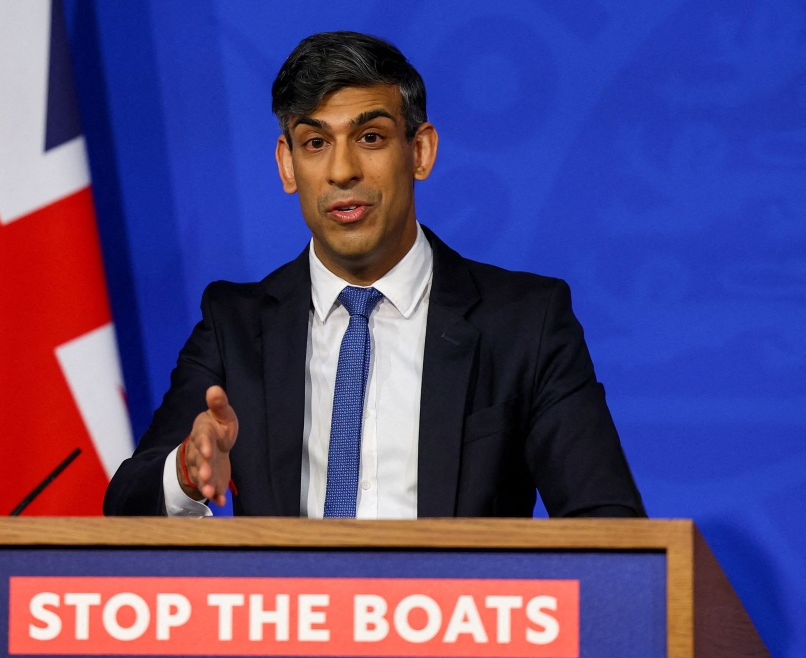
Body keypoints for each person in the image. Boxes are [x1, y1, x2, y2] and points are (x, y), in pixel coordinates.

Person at [104, 31, 645, 519]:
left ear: (420, 151)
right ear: (288, 165)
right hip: (290, 627)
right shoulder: (236, 326)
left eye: (370, 138)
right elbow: (125, 504)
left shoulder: (525, 324)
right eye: (316, 143)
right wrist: (186, 473)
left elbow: (609, 523)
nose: (342, 171)